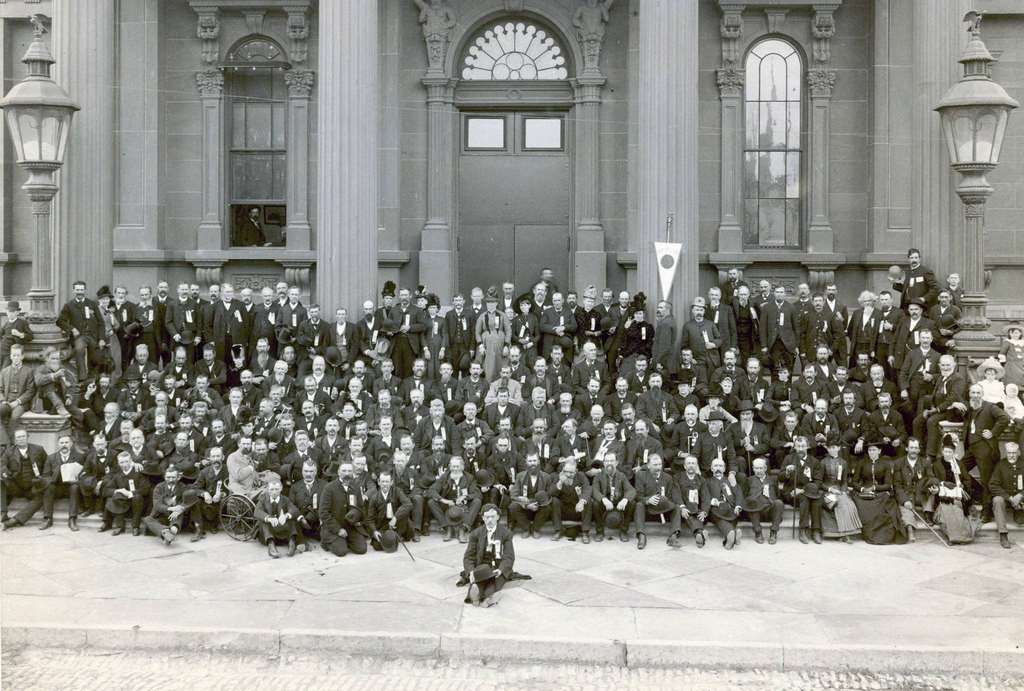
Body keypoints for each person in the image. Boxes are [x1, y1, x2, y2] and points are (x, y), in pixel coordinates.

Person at [461, 503, 515, 607]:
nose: (490, 520)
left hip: (498, 566)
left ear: (498, 517)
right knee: (479, 576)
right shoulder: (475, 533)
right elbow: (469, 556)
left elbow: (509, 556)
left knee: (495, 581)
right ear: (483, 518)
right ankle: (477, 595)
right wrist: (471, 571)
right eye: (487, 517)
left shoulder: (506, 533)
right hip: (482, 565)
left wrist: (501, 569)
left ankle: (486, 598)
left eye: (492, 517)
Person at [319, 460, 372, 557]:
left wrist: (357, 515)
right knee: (341, 551)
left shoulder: (356, 487)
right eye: (344, 471)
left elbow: (361, 507)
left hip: (351, 527)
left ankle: (345, 540)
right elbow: (323, 513)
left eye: (349, 471)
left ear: (352, 472)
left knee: (362, 549)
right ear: (338, 472)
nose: (346, 473)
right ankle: (326, 542)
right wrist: (338, 530)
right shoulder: (329, 488)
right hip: (334, 528)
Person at [632, 454, 682, 549]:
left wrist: (664, 501)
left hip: (663, 507)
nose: (658, 467)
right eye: (655, 465)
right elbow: (638, 496)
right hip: (648, 508)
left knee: (677, 507)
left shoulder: (668, 477)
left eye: (659, 464)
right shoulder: (640, 475)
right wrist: (648, 500)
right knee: (639, 505)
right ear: (648, 465)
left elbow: (671, 496)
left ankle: (673, 536)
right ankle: (641, 536)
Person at [819, 441, 861, 542]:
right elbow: (819, 482)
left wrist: (843, 491)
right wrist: (830, 489)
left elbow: (844, 481)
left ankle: (846, 533)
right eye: (830, 448)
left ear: (839, 448)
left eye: (834, 447)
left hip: (839, 489)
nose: (832, 450)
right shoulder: (823, 462)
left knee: (848, 503)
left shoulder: (843, 462)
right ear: (827, 449)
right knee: (836, 503)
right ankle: (837, 533)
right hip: (827, 490)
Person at [254, 472, 299, 558]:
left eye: (276, 489)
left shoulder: (285, 499)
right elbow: (257, 511)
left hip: (282, 529)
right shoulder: (263, 499)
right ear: (267, 489)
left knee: (292, 519)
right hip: (268, 532)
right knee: (263, 522)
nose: (274, 492)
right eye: (271, 489)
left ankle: (292, 542)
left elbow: (294, 509)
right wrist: (268, 518)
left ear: (281, 488)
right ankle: (271, 545)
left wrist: (286, 516)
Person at [143, 466, 191, 545]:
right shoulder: (159, 487)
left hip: (176, 517)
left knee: (178, 511)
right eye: (168, 477)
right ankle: (166, 532)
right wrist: (171, 508)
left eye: (173, 477)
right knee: (147, 519)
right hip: (161, 515)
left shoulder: (182, 487)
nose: (171, 480)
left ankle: (172, 530)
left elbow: (185, 502)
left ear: (178, 477)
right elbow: (157, 505)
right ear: (164, 477)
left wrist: (180, 509)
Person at [989, 442, 1024, 549]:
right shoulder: (1001, 465)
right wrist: (1008, 497)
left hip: (1021, 499)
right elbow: (993, 485)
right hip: (1006, 498)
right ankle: (1003, 535)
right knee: (997, 500)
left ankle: (1019, 511)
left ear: (1018, 453)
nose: (1012, 455)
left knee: (1020, 521)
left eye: (1014, 453)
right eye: (1009, 453)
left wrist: (1021, 495)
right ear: (1006, 453)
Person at [0, 344, 34, 446]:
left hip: (21, 404)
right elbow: (0, 389)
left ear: (22, 356)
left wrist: (18, 402)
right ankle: (5, 441)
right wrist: (2, 401)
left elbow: (30, 391)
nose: (15, 358)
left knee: (14, 417)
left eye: (18, 355)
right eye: (13, 355)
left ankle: (9, 445)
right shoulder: (4, 371)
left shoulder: (29, 371)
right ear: (10, 356)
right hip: (6, 402)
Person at [0, 300, 32, 369]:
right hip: (2, 350)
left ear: (17, 312)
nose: (10, 314)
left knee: (4, 370)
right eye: (9, 311)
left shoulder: (22, 323)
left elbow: (30, 336)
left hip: (12, 352)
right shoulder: (6, 323)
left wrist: (19, 334)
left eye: (13, 312)